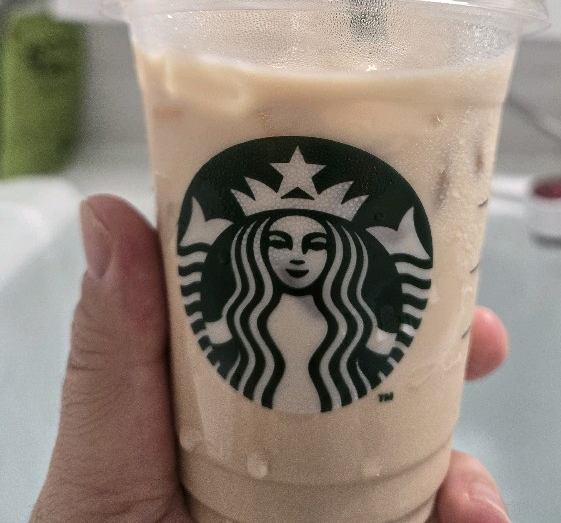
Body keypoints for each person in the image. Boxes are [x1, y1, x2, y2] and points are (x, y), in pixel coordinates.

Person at [31, 195, 512, 523]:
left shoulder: (351, 332)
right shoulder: (241, 324)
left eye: (315, 243)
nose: (296, 257)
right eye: (280, 242)